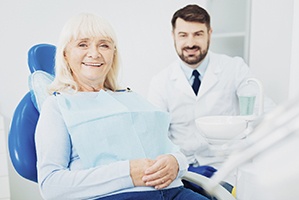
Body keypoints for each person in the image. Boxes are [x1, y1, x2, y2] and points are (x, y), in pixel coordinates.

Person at [34, 13, 209, 200]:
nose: (94, 53)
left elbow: (170, 148)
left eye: (104, 45)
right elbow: (50, 185)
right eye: (83, 44)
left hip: (175, 192)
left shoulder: (130, 98)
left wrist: (176, 162)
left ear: (113, 54)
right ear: (65, 54)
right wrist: (127, 173)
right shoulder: (58, 106)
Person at [147, 4, 276, 191]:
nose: (190, 43)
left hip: (227, 167)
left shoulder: (234, 68)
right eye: (183, 35)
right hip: (184, 170)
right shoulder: (160, 81)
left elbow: (264, 111)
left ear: (209, 33)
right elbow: (154, 134)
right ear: (173, 35)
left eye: (198, 34)